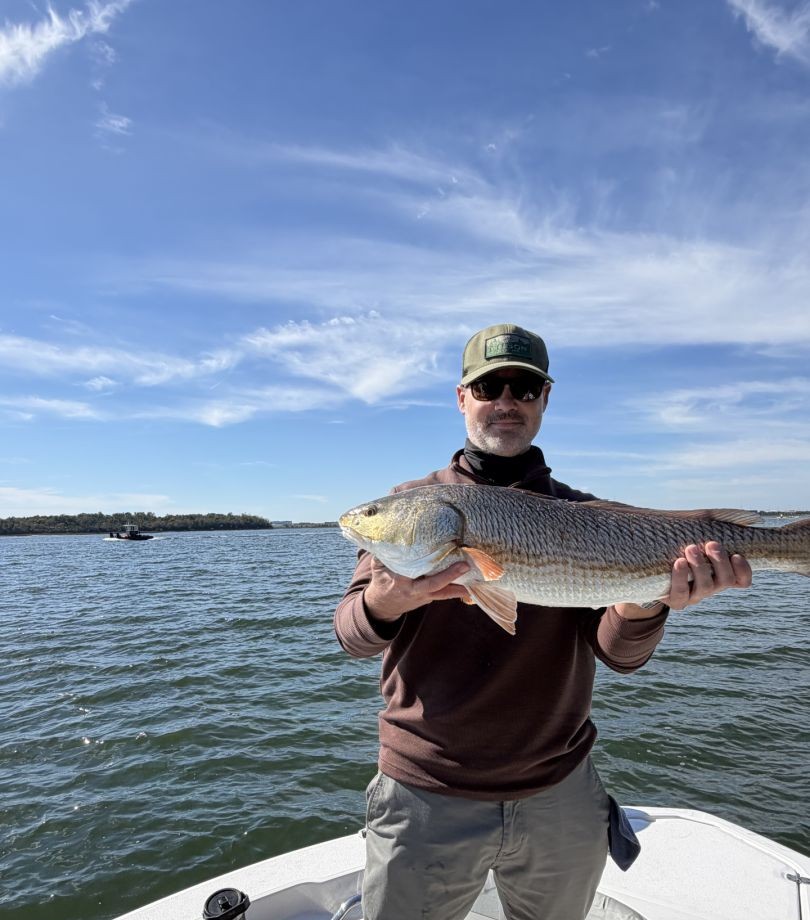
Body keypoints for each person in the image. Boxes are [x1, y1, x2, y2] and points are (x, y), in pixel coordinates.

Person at [333, 323, 752, 920]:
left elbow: (619, 655)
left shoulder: (585, 514)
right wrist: (388, 600)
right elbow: (351, 633)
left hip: (561, 789)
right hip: (427, 792)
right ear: (462, 398)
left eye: (524, 388)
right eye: (489, 386)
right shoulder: (414, 505)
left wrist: (647, 600)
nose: (506, 401)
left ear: (544, 401)